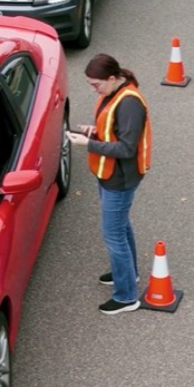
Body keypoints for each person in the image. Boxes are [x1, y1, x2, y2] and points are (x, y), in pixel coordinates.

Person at [66, 53, 152, 315]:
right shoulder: (115, 93)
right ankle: (127, 273)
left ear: (113, 78)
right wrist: (94, 131)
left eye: (96, 85)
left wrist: (88, 143)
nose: (94, 89)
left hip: (120, 179)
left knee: (113, 235)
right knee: (121, 227)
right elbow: (114, 130)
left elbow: (126, 148)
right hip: (109, 175)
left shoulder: (129, 104)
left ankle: (126, 297)